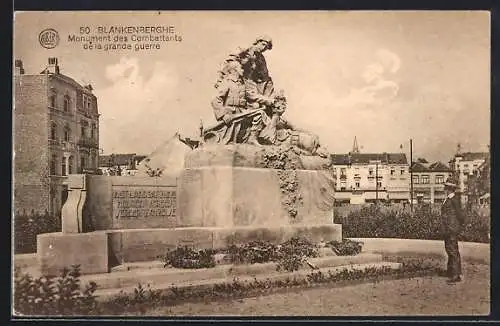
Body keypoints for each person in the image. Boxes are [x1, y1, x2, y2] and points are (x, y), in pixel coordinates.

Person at [441, 176, 466, 283]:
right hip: (448, 228)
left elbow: (460, 215)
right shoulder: (449, 199)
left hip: (451, 229)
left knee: (452, 250)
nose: (444, 189)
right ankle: (452, 271)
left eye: (446, 187)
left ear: (450, 189)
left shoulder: (454, 199)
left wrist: (456, 226)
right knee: (450, 249)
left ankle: (455, 274)